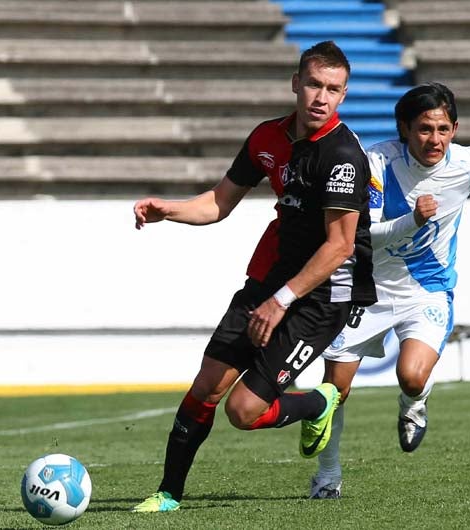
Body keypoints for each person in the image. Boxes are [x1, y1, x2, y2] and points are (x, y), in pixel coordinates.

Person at [130, 41, 377, 513]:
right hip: (272, 279)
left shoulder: (343, 156)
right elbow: (219, 202)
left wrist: (280, 300)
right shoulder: (267, 136)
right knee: (207, 384)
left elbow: (340, 247)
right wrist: (169, 210)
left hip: (323, 294)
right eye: (314, 84)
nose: (321, 97)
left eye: (333, 89)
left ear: (343, 95)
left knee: (242, 411)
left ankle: (318, 404)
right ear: (295, 83)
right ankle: (168, 494)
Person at [309, 82, 470, 499]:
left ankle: (413, 404)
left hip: (427, 289)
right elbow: (361, 234)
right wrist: (413, 221)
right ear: (404, 128)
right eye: (424, 129)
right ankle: (327, 477)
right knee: (335, 392)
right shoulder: (376, 163)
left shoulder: (467, 162)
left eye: (443, 129)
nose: (435, 140)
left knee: (412, 376)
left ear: (455, 129)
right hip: (366, 289)